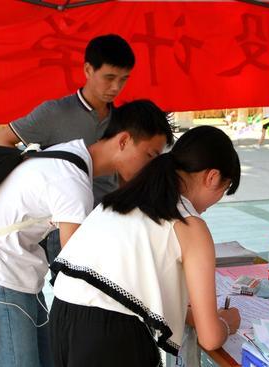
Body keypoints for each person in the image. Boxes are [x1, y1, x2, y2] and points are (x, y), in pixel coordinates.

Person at [0, 100, 174, 367]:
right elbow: (78, 268)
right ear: (123, 141)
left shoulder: (70, 155)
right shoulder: (73, 183)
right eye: (150, 155)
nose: (151, 167)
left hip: (15, 274)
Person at [49, 125, 242, 367]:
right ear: (212, 177)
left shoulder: (122, 200)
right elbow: (210, 338)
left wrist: (194, 316)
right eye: (223, 191)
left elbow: (122, 288)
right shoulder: (190, 224)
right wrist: (227, 323)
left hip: (62, 318)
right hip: (111, 338)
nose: (214, 203)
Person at [0, 33, 135, 205]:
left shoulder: (122, 119)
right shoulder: (54, 112)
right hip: (60, 219)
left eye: (123, 79)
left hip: (106, 216)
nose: (116, 87)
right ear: (88, 70)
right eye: (109, 78)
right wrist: (36, 172)